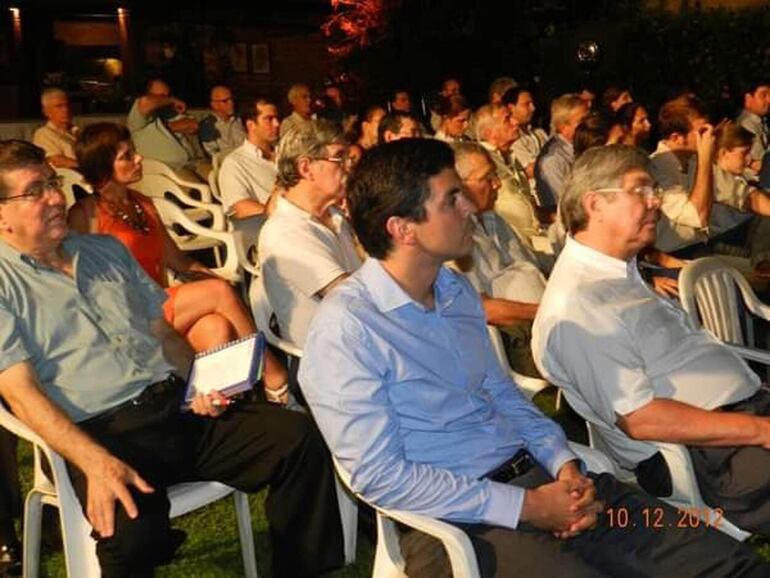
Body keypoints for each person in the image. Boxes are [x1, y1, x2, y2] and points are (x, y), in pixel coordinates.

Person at [299, 138, 766, 578]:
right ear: (402, 230)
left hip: (545, 483)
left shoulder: (453, 291)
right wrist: (527, 508)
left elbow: (505, 396)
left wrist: (564, 465)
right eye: (452, 199)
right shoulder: (348, 329)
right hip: (458, 522)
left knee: (730, 564)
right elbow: (380, 477)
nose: (471, 208)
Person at [0, 139, 344, 577]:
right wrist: (94, 462)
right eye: (34, 191)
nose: (54, 197)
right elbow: (21, 393)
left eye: (52, 183)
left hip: (175, 405)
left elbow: (164, 333)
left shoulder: (106, 252)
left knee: (297, 438)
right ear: (1, 214)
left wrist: (198, 384)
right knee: (133, 538)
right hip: (101, 433)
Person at [533, 144, 770, 536]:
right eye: (640, 190)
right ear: (595, 205)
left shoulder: (620, 274)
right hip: (709, 455)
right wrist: (760, 429)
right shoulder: (577, 307)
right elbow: (641, 419)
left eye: (654, 191)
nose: (655, 202)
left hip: (743, 416)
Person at [67, 123, 292, 406]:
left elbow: (179, 261)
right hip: (131, 314)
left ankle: (218, 410)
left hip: (161, 308)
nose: (139, 159)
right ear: (102, 167)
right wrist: (217, 290)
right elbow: (78, 284)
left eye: (134, 152)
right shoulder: (85, 215)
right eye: (126, 156)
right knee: (219, 294)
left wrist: (213, 278)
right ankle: (275, 376)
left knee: (216, 326)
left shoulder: (143, 204)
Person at [258, 119, 361, 348]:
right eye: (339, 157)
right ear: (305, 168)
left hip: (361, 336)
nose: (348, 166)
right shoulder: (284, 233)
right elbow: (351, 299)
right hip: (334, 356)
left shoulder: (335, 214)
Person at [453, 142, 547, 376]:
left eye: (495, 174)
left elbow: (530, 267)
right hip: (514, 338)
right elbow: (483, 310)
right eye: (487, 178)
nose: (497, 183)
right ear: (459, 186)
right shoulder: (453, 236)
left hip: (541, 319)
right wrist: (547, 311)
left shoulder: (494, 219)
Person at [474, 104, 543, 243]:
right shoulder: (481, 162)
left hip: (535, 235)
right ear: (489, 132)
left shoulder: (512, 157)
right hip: (509, 243)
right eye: (507, 119)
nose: (515, 122)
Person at [126, 78, 203, 181]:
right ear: (149, 94)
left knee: (221, 177)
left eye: (167, 95)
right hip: (166, 171)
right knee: (200, 187)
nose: (165, 100)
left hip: (192, 164)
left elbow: (193, 126)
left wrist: (167, 127)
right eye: (161, 96)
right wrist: (172, 100)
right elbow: (145, 102)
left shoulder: (169, 113)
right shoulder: (138, 120)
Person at [217, 97, 280, 219]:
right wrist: (283, 215)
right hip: (268, 226)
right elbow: (241, 208)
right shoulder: (235, 163)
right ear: (251, 125)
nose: (277, 124)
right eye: (269, 119)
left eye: (277, 118)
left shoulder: (285, 154)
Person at [534, 94, 589, 211]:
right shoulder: (552, 160)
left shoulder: (582, 147)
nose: (589, 125)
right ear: (563, 127)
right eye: (582, 121)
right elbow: (562, 205)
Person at [503, 86, 548, 181]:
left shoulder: (539, 132)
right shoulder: (510, 137)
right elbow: (532, 169)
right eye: (526, 104)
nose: (533, 108)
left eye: (532, 103)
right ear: (511, 108)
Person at [32, 87, 80, 170]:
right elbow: (57, 161)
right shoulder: (43, 134)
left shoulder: (78, 131)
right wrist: (89, 167)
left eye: (67, 105)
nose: (66, 109)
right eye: (59, 106)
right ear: (46, 112)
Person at [198, 85, 246, 158]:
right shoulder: (209, 126)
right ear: (214, 104)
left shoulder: (239, 120)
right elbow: (213, 154)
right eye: (225, 101)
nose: (231, 103)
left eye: (231, 99)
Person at [736, 79, 770, 175]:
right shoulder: (747, 123)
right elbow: (760, 160)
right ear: (748, 98)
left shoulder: (760, 122)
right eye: (763, 95)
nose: (769, 100)